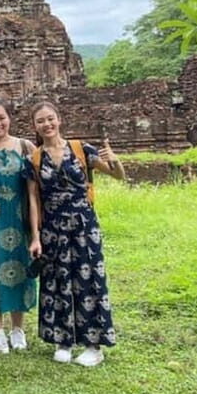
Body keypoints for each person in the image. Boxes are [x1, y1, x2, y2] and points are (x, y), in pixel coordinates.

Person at [26, 101, 126, 367]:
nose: (46, 125)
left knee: (89, 281)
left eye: (50, 119)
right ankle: (63, 340)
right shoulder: (34, 159)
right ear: (35, 126)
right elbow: (34, 200)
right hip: (53, 228)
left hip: (84, 225)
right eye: (40, 121)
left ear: (59, 120)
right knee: (58, 281)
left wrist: (114, 159)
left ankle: (94, 345)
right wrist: (35, 237)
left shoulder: (82, 150)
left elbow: (118, 175)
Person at [0, 99, 37, 354]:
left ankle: (18, 329)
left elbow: (37, 188)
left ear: (9, 118)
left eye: (2, 117)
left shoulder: (25, 147)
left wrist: (36, 230)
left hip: (18, 217)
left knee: (20, 270)